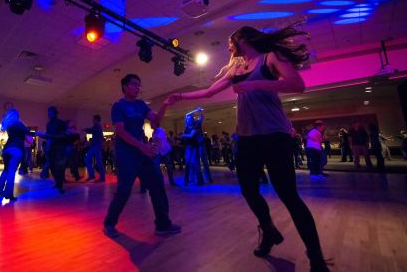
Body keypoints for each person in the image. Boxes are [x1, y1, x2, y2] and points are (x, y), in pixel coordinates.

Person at [167, 23, 330, 271]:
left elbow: (297, 84)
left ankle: (316, 256)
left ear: (241, 38)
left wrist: (255, 84)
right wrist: (180, 97)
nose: (228, 46)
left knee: (289, 196)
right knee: (249, 191)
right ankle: (269, 229)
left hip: (275, 136)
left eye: (229, 41)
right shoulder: (236, 67)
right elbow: (210, 92)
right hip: (247, 138)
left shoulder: (270, 57)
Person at [103, 74, 181, 238]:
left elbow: (155, 121)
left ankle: (162, 224)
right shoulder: (118, 105)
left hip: (141, 151)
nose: (138, 88)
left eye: (139, 85)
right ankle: (109, 223)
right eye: (134, 84)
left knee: (157, 186)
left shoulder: (141, 105)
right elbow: (121, 131)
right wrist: (142, 147)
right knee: (124, 189)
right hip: (126, 152)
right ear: (125, 86)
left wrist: (165, 106)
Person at [0, 109, 34, 200]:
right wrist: (38, 133)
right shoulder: (18, 123)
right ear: (17, 115)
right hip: (16, 150)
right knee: (11, 171)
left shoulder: (9, 125)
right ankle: (9, 194)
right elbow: (28, 132)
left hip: (7, 149)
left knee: (6, 170)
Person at [35, 106, 68, 194]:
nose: (49, 114)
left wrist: (51, 136)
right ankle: (58, 183)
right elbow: (47, 136)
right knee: (52, 167)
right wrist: (40, 135)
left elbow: (63, 135)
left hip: (60, 148)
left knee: (59, 168)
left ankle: (60, 185)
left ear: (55, 113)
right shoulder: (49, 124)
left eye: (51, 112)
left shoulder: (61, 123)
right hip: (52, 148)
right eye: (48, 112)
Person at [84, 115, 105, 182]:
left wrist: (84, 129)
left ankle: (97, 177)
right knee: (97, 161)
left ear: (96, 119)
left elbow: (91, 130)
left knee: (91, 160)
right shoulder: (97, 126)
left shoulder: (97, 125)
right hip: (96, 146)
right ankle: (93, 176)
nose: (92, 120)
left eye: (93, 119)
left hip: (96, 146)